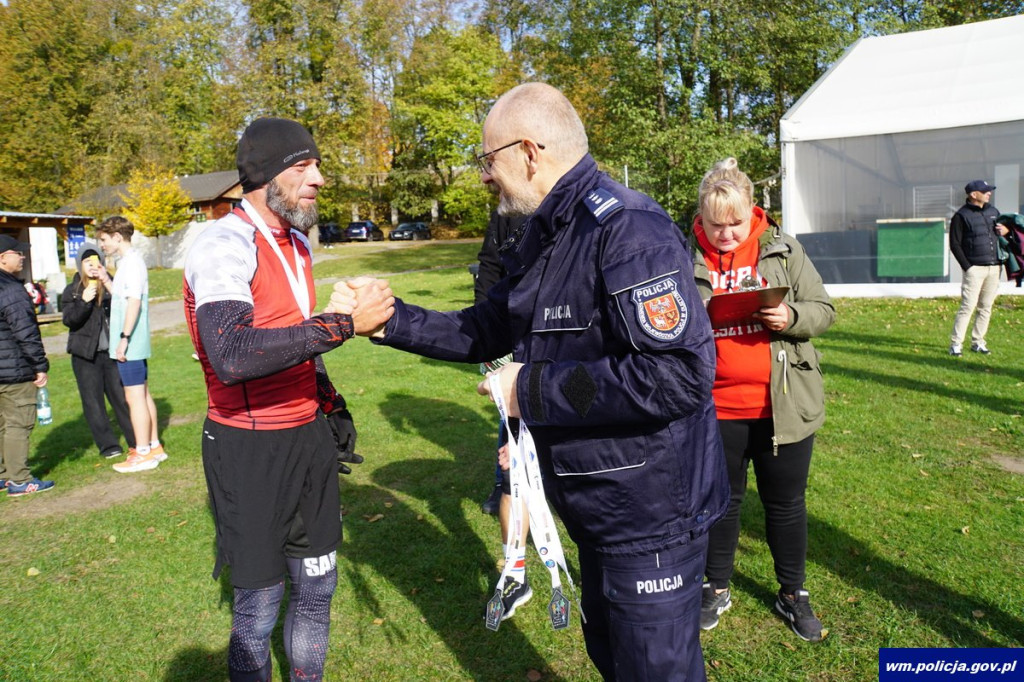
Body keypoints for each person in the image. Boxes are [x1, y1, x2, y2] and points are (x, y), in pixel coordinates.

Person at [340, 83, 728, 680]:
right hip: (598, 508)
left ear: (527, 151)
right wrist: (391, 319)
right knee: (615, 658)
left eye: (485, 161)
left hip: (649, 514)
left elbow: (679, 376)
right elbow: (487, 326)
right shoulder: (547, 235)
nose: (484, 178)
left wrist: (531, 390)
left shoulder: (628, 231)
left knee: (655, 670)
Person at [183, 116, 394, 681]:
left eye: (317, 164)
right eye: (303, 167)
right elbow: (231, 353)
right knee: (258, 611)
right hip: (247, 447)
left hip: (307, 438)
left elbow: (290, 336)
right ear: (267, 177)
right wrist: (340, 324)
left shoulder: (296, 240)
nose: (319, 178)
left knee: (318, 587)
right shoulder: (222, 241)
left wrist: (329, 399)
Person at [689, 157, 835, 642]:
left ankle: (793, 592)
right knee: (722, 503)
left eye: (735, 223)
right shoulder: (682, 253)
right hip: (715, 407)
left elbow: (823, 309)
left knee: (786, 503)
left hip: (783, 405)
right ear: (701, 219)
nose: (726, 234)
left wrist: (790, 315)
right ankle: (717, 587)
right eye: (716, 224)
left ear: (753, 210)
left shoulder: (783, 248)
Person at [475, 210, 532, 617]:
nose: (487, 176)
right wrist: (488, 340)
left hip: (568, 366)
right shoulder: (505, 212)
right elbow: (489, 268)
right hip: (514, 354)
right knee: (514, 476)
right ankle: (515, 574)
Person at [93, 216, 166, 473]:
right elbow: (123, 296)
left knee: (133, 396)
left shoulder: (133, 263)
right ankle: (155, 446)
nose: (101, 245)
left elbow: (134, 303)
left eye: (103, 239)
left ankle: (143, 452)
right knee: (142, 393)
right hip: (132, 342)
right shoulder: (126, 263)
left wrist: (124, 339)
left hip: (130, 342)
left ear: (117, 237)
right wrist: (106, 279)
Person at [61, 242, 136, 459]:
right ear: (80, 265)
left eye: (95, 261)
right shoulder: (72, 290)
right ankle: (108, 445)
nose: (92, 266)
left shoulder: (112, 284)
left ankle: (134, 439)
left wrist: (107, 284)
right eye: (87, 262)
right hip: (85, 355)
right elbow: (69, 320)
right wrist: (84, 302)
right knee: (93, 402)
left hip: (111, 353)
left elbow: (124, 307)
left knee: (121, 399)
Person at [0, 234, 52, 496]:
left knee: (2, 424)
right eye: (16, 252)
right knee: (18, 424)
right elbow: (26, 333)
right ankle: (19, 480)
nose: (22, 257)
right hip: (14, 371)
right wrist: (40, 365)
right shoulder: (12, 290)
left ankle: (3, 475)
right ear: (2, 258)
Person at [948, 180, 1009, 356]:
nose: (989, 193)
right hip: (975, 269)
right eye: (985, 191)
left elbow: (1004, 232)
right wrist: (968, 267)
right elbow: (955, 244)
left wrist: (1006, 230)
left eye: (989, 190)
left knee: (986, 306)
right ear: (973, 194)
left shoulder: (993, 211)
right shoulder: (961, 216)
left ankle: (978, 342)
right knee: (968, 306)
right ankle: (956, 344)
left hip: (994, 267)